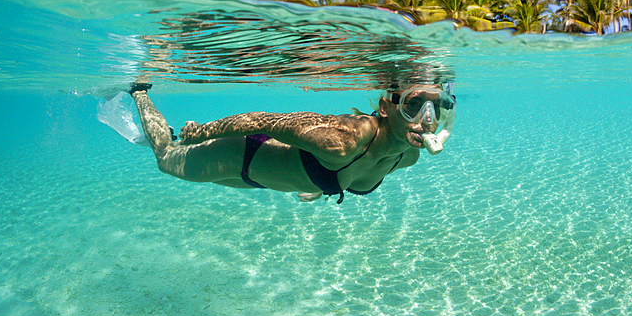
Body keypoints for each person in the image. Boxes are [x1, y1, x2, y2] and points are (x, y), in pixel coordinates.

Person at [128, 82, 455, 203]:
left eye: (436, 106)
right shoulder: (342, 141)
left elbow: (346, 174)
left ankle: (164, 130)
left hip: (260, 181)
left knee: (185, 163)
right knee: (167, 159)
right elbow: (260, 121)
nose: (427, 118)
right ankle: (139, 92)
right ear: (386, 107)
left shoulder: (407, 156)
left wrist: (323, 184)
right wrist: (205, 132)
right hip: (242, 153)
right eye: (413, 104)